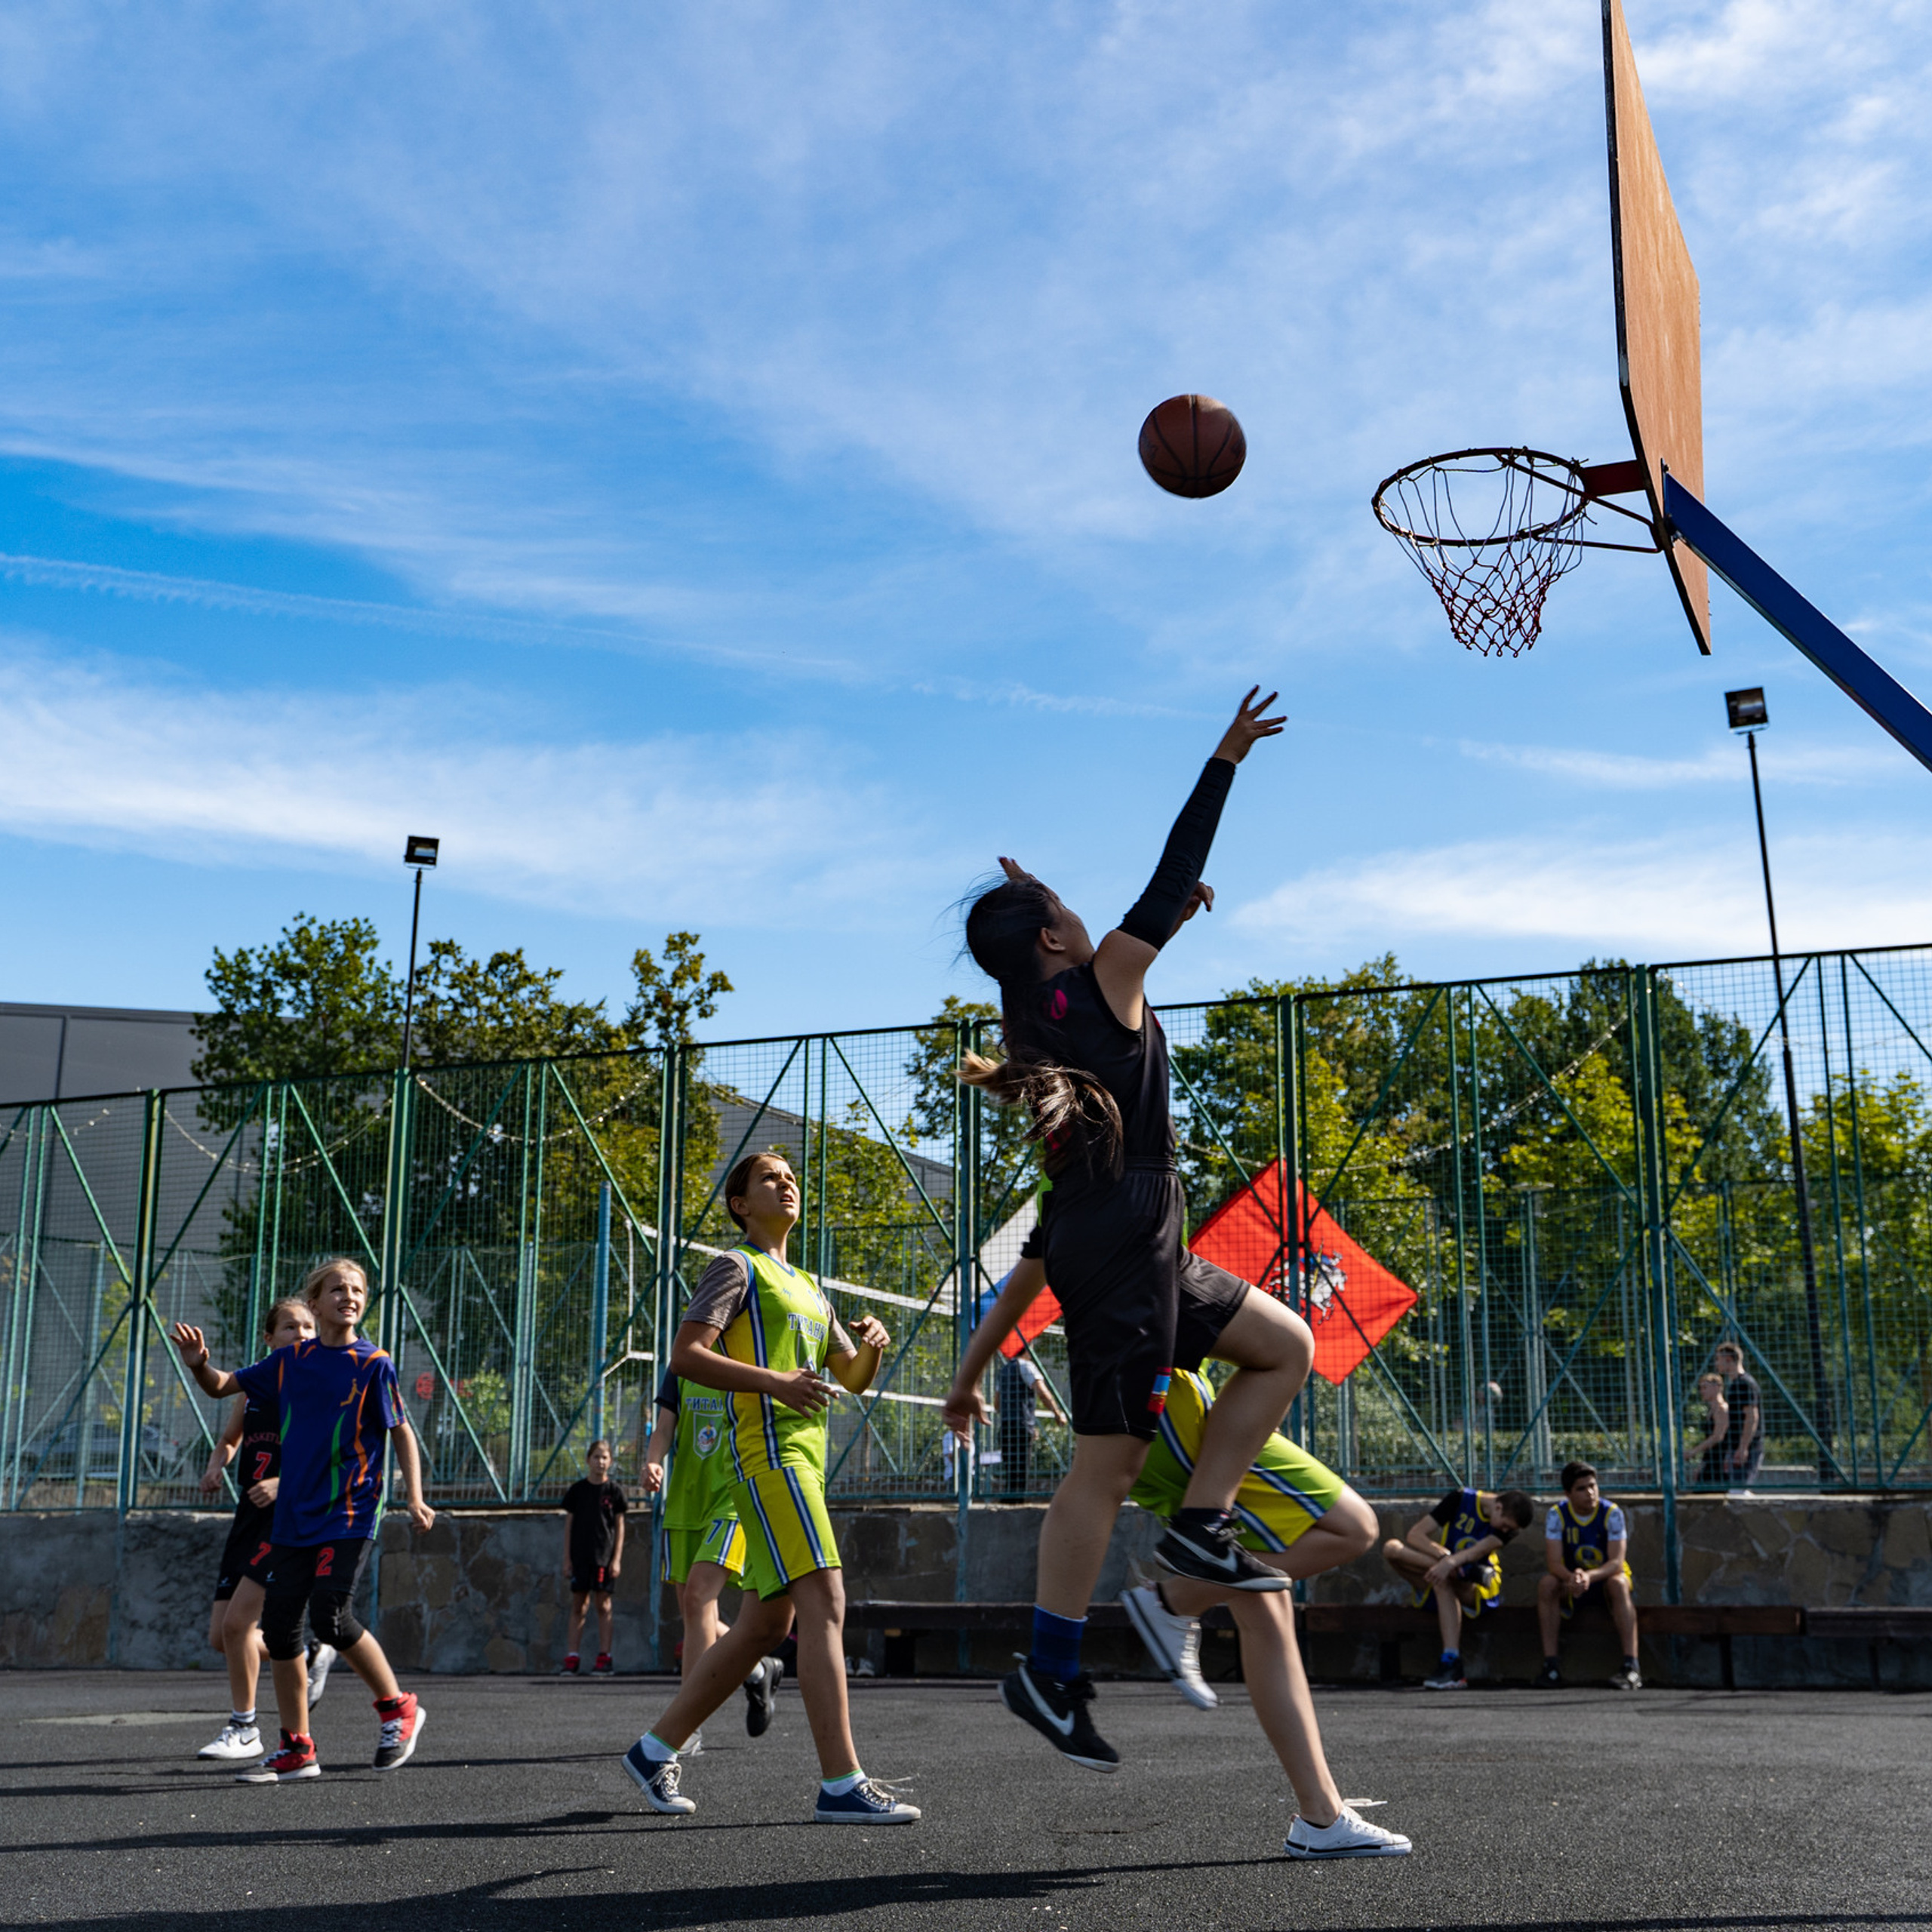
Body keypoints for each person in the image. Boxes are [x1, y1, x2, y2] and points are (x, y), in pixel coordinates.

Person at [955, 687, 1318, 1770]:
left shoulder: (1036, 1009)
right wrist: (1225, 759)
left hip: (1130, 1232)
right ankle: (1050, 1669)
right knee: (1102, 1469)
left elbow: (1107, 923)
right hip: (1122, 1234)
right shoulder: (1104, 976)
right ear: (1063, 936)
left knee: (1284, 1345)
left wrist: (1037, 907)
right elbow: (1164, 878)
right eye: (1070, 913)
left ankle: (1201, 1524)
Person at [620, 1152, 919, 1825]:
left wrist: (872, 1343)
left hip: (804, 1461)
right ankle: (841, 1782)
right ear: (740, 1204)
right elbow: (687, 1354)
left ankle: (654, 1749)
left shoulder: (810, 1286)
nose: (786, 1184)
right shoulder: (737, 1267)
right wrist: (775, 1381)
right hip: (767, 1457)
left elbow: (851, 1376)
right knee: (827, 1602)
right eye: (769, 1179)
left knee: (766, 1622)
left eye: (790, 1178)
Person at [171, 1255, 435, 1783]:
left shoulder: (374, 1363)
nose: (350, 1296)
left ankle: (398, 1707)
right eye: (337, 1288)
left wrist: (414, 1495)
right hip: (293, 1517)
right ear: (315, 1302)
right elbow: (223, 1386)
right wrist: (199, 1363)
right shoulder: (291, 1361)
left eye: (358, 1289)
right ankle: (297, 1746)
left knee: (330, 1617)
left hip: (351, 1512)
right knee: (282, 1629)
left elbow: (401, 1430)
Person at [195, 1296, 315, 1762]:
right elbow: (230, 1438)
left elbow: (329, 1456)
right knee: (220, 1636)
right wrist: (214, 1467)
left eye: (308, 1326)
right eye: (290, 1327)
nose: (301, 1334)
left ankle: (244, 1727)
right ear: (269, 1338)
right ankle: (306, 1653)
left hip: (287, 1516)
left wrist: (284, 1484)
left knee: (238, 1624)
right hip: (249, 1515)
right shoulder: (257, 1384)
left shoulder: (315, 1387)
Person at [641, 1364, 783, 1740]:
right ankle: (758, 1670)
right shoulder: (683, 1364)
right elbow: (664, 1428)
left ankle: (685, 1728)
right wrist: (653, 1461)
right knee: (695, 1612)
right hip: (685, 1504)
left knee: (699, 1595)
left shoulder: (748, 1356)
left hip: (731, 1499)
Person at [1380, 1482, 1534, 1689]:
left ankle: (1451, 1662)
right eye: (1506, 1525)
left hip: (1480, 1584)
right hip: (1447, 1570)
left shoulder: (1505, 1533)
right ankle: (1452, 1666)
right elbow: (1415, 1535)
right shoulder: (1460, 1499)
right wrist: (1444, 1558)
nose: (1506, 1530)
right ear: (1498, 1508)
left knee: (1445, 1579)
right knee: (1392, 1549)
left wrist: (1450, 1564)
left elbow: (1474, 1553)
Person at [1537, 1460, 1640, 1690]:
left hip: (1602, 1581)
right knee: (1547, 1584)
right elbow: (1554, 1563)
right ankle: (1551, 1666)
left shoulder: (1612, 1513)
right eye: (1581, 1489)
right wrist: (1572, 1578)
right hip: (1571, 1583)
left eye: (1593, 1486)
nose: (1590, 1493)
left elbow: (1616, 1562)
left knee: (1619, 1584)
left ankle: (1631, 1667)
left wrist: (1588, 1577)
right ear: (1568, 1493)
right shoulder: (1557, 1515)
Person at [558, 1438, 626, 1678]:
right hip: (580, 1558)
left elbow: (619, 1527)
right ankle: (572, 1657)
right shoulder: (577, 1491)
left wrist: (616, 1559)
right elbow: (569, 1526)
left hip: (604, 1558)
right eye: (596, 1456)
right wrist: (567, 1559)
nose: (600, 1461)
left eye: (605, 1457)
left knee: (603, 1604)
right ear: (588, 1460)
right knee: (579, 1604)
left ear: (611, 1461)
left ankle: (604, 1657)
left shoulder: (615, 1492)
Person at [993, 1339, 1067, 1498]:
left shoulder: (1004, 1370)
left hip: (1006, 1425)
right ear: (1027, 1350)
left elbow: (997, 1404)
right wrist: (1057, 1412)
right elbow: (1043, 1393)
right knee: (1021, 1467)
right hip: (1022, 1424)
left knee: (1010, 1468)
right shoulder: (1028, 1367)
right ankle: (1017, 1502)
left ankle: (1008, 1501)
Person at [1712, 1342, 1764, 1488]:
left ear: (1728, 1359)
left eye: (1718, 1359)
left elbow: (1752, 1417)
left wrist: (1743, 1447)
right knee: (1734, 1490)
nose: (1717, 1364)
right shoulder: (1735, 1385)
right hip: (1736, 1447)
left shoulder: (1744, 1384)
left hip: (1747, 1447)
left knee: (1739, 1492)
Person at [1687, 1371, 1730, 1484]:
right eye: (1701, 1388)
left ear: (1717, 1387)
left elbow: (1718, 1436)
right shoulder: (1712, 1411)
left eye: (1705, 1387)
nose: (1702, 1391)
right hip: (1711, 1459)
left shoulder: (1722, 1409)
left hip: (1721, 1460)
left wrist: (1694, 1451)